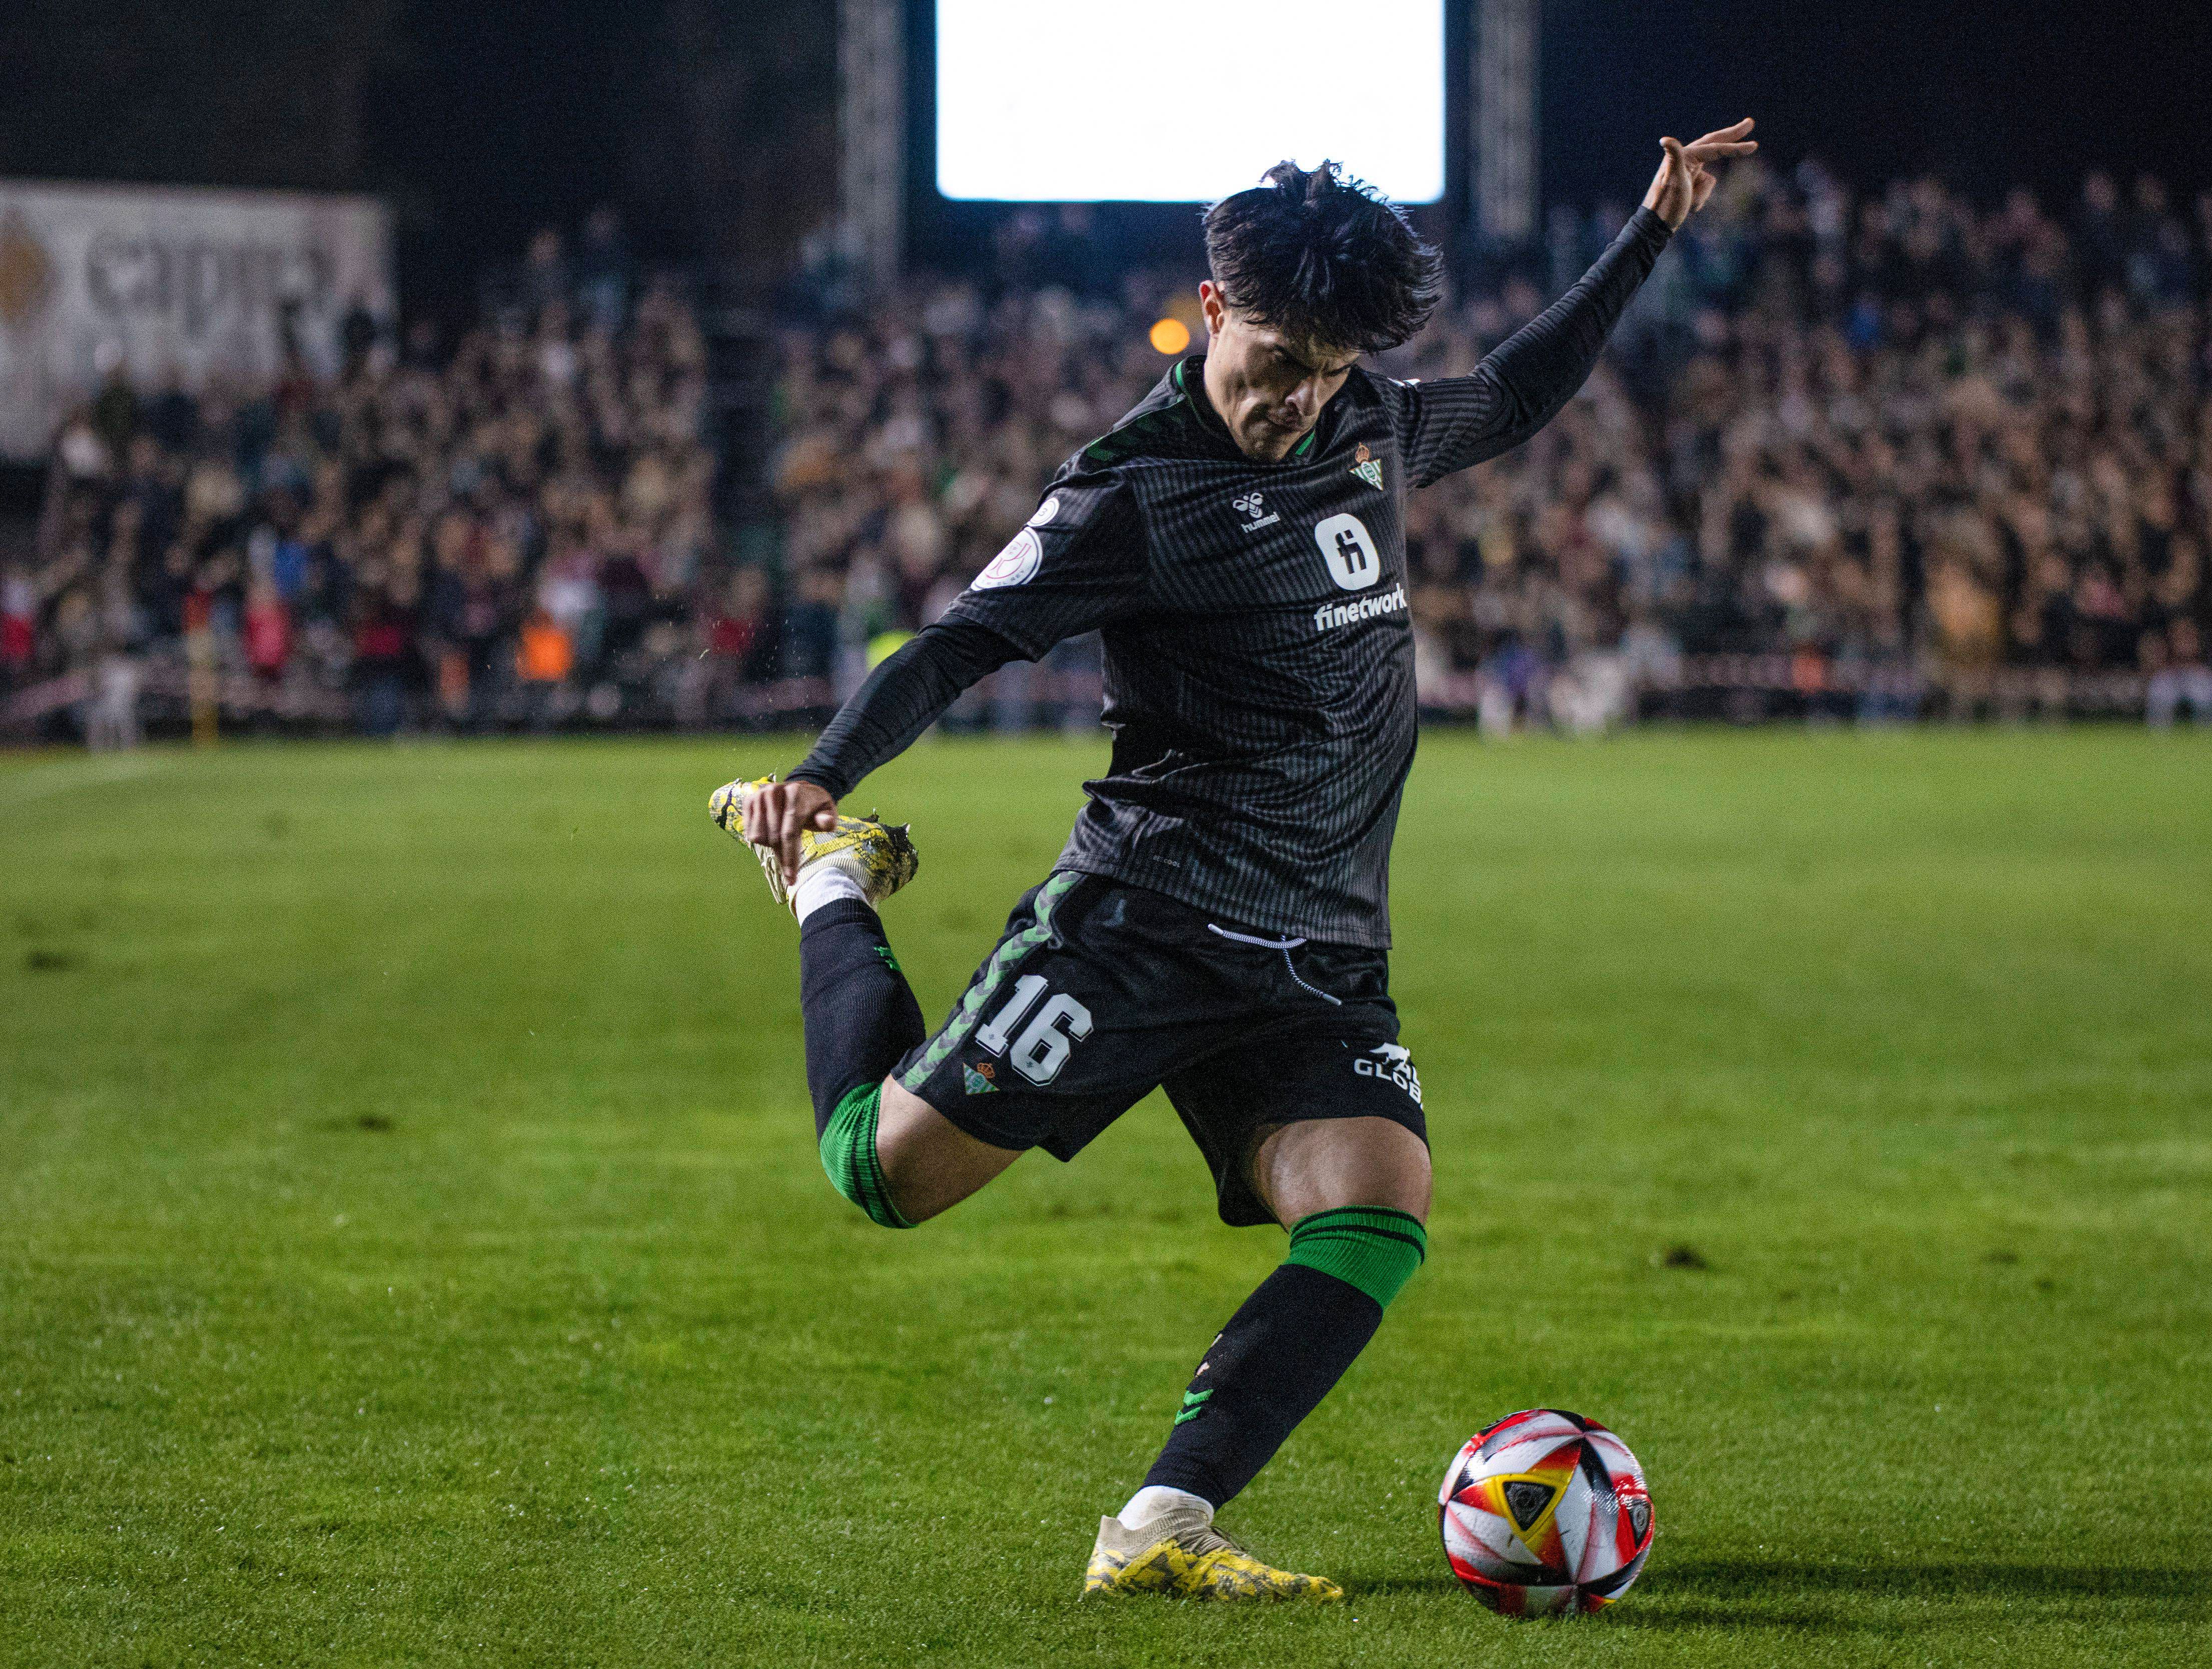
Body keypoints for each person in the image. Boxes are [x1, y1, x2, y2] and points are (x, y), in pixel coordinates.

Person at [711, 121, 1756, 1601]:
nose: (1298, 398)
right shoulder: (1132, 491)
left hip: (1319, 945)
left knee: (1378, 1210)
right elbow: (963, 639)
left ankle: (1160, 1524)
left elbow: (1516, 391)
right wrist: (824, 776)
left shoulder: (1367, 422)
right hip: (1146, 921)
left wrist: (1648, 231)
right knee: (884, 1179)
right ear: (1213, 310)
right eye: (1276, 362)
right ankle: (837, 885)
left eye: (1326, 370)